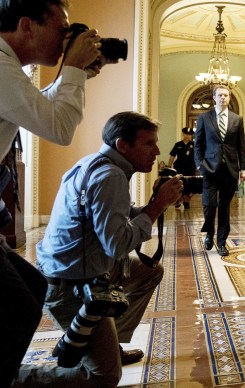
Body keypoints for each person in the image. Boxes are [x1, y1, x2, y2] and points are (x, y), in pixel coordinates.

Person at [12, 112, 183, 386]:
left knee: (149, 271)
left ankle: (109, 343)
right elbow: (117, 244)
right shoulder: (110, 176)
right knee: (103, 377)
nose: (157, 151)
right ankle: (15, 378)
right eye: (149, 144)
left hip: (75, 268)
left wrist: (154, 201)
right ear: (122, 145)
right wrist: (157, 206)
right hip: (70, 286)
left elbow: (118, 219)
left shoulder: (96, 163)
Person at [0, 0, 105, 385]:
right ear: (27, 25)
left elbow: (37, 108)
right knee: (19, 305)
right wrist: (74, 69)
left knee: (32, 286)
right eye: (61, 28)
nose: (67, 37)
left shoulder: (8, 67)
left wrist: (76, 75)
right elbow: (59, 129)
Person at [194, 84, 245, 256]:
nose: (223, 98)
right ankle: (209, 232)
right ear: (214, 98)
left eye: (226, 95)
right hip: (209, 168)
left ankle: (222, 242)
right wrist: (199, 164)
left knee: (224, 207)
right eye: (220, 95)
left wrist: (244, 169)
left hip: (230, 170)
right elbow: (198, 144)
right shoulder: (204, 117)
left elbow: (241, 147)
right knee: (209, 205)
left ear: (229, 98)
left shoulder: (237, 119)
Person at [168, 126, 196, 209]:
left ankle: (186, 202)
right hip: (179, 168)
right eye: (185, 134)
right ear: (183, 134)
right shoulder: (178, 145)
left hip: (190, 168)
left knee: (188, 186)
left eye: (189, 134)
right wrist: (169, 166)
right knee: (178, 185)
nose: (187, 136)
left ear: (191, 136)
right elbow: (172, 156)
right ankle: (177, 201)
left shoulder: (194, 145)